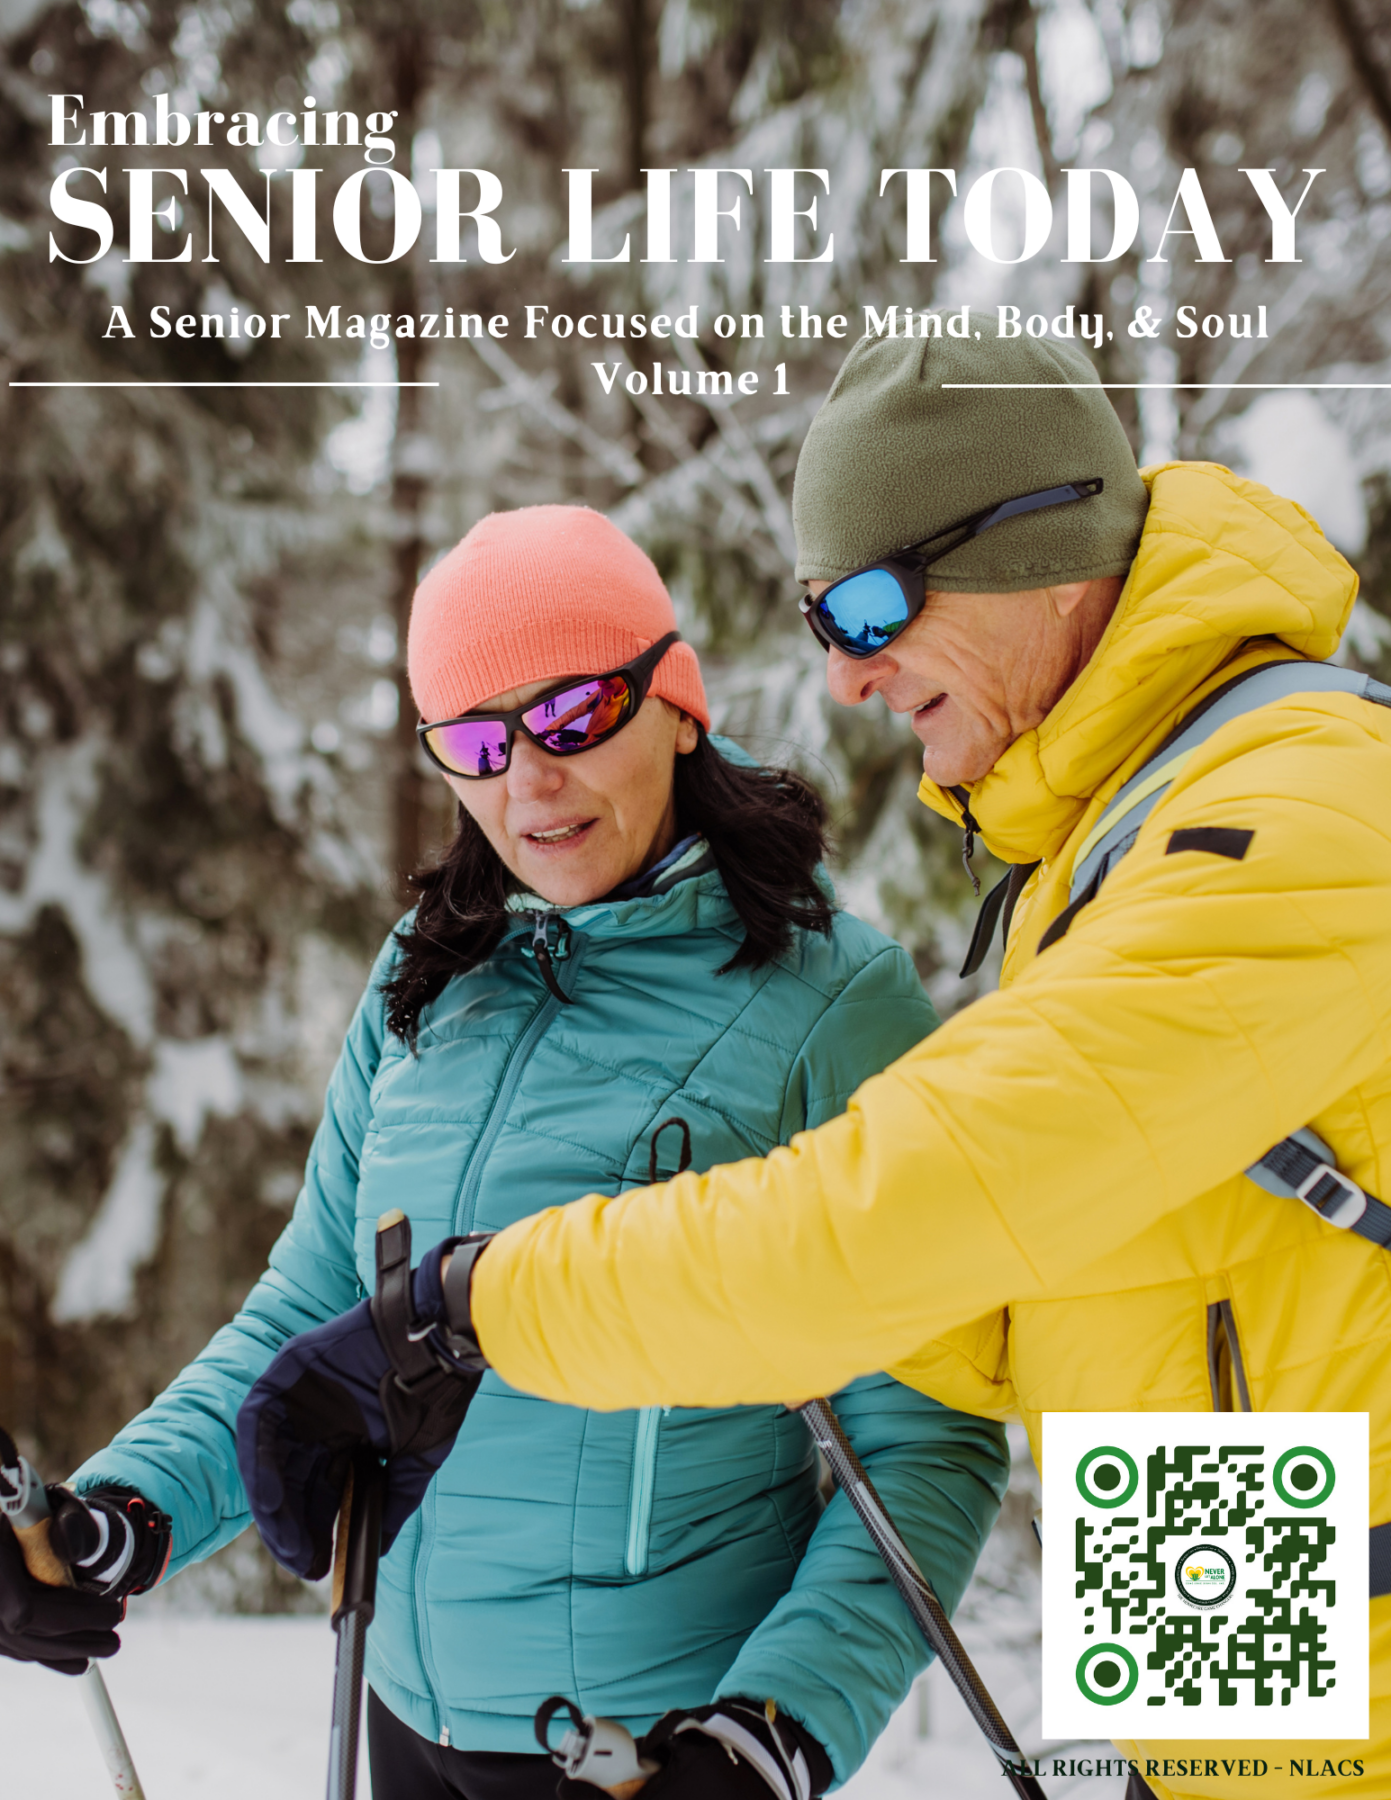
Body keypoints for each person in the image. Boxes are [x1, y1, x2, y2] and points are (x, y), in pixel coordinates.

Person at [268, 330, 1389, 1800]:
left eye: (869, 606)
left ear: (1040, 550)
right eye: (818, 619)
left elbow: (904, 1215)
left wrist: (479, 1303)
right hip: (1244, 1626)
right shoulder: (1109, 845)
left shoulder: (1297, 814)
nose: (847, 680)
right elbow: (1054, 1293)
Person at [0, 505, 1009, 1800]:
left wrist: (773, 1734)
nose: (527, 780)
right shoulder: (427, 979)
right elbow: (312, 1314)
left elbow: (927, 1438)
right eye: (476, 739)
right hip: (398, 1706)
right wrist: (120, 1517)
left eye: (574, 714)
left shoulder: (831, 998)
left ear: (675, 701)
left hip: (649, 1749)